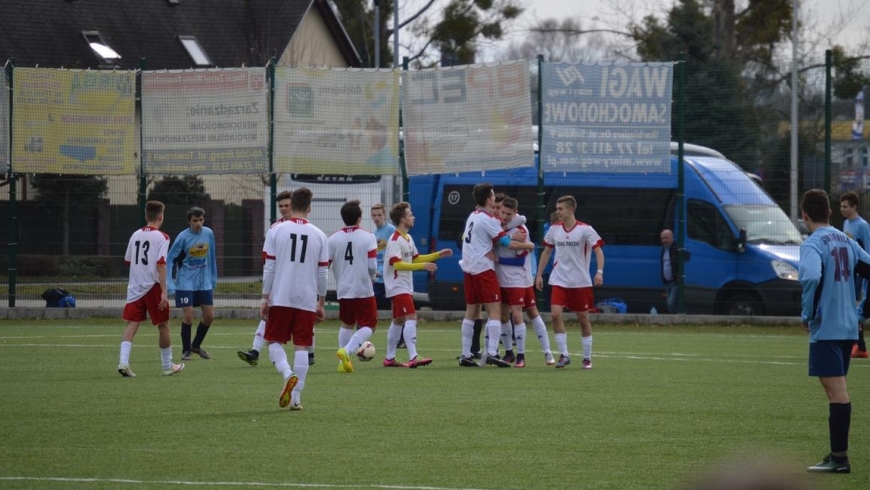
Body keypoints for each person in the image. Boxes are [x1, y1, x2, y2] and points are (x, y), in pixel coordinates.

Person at [799, 188, 870, 473]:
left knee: (836, 392)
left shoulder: (812, 244)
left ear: (805, 216)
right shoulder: (847, 240)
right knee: (836, 390)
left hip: (826, 328)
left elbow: (811, 276)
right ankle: (836, 455)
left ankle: (839, 458)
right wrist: (862, 310)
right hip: (848, 328)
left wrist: (807, 314)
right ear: (829, 212)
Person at [260, 187, 328, 410]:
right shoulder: (319, 235)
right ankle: (296, 399)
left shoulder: (276, 231)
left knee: (272, 342)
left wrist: (264, 298)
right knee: (302, 346)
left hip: (280, 296)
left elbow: (269, 268)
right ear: (309, 207)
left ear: (292, 206)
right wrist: (320, 302)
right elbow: (323, 273)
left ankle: (287, 373)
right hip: (306, 299)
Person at [458, 183, 530, 368]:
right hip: (483, 269)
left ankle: (466, 354)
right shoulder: (488, 220)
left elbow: (506, 224)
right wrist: (528, 246)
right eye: (492, 196)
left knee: (471, 312)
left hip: (468, 269)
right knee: (495, 311)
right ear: (489, 199)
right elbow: (507, 243)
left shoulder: (473, 216)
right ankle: (491, 352)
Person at [535, 195, 604, 369]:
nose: (557, 212)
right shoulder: (554, 230)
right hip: (559, 279)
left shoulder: (585, 230)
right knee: (556, 314)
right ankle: (564, 355)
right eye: (557, 209)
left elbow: (598, 252)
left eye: (560, 209)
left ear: (571, 210)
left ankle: (587, 357)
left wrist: (599, 272)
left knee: (583, 318)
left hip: (580, 281)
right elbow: (546, 252)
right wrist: (539, 274)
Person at [117, 201, 185, 377]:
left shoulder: (135, 235)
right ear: (161, 217)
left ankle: (123, 362)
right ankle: (167, 366)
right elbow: (161, 264)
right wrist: (164, 291)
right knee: (164, 325)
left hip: (135, 286)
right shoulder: (162, 237)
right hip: (152, 286)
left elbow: (130, 260)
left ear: (146, 216)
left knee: (133, 323)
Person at [382, 201, 452, 368]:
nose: (413, 217)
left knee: (398, 320)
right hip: (397, 285)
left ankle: (389, 358)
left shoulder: (408, 237)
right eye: (410, 214)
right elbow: (397, 264)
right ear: (402, 220)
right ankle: (413, 356)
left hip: (404, 285)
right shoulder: (395, 240)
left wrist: (437, 255)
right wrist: (422, 267)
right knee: (411, 317)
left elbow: (415, 258)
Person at [238, 190, 303, 366]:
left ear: (294, 205)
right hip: (280, 280)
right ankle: (255, 350)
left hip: (299, 280)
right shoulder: (275, 228)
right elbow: (269, 259)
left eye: (287, 205)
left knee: (302, 317)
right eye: (280, 206)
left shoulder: (304, 226)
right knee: (268, 314)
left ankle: (308, 353)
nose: (283, 209)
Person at [494, 196, 555, 367]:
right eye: (502, 211)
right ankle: (508, 353)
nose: (504, 215)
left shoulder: (521, 231)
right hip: (501, 280)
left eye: (508, 213)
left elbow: (520, 261)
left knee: (523, 313)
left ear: (515, 213)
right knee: (504, 315)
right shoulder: (497, 225)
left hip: (518, 280)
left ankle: (530, 354)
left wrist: (498, 260)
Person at [331, 200, 379, 374]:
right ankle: (347, 351)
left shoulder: (333, 238)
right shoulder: (368, 237)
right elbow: (372, 266)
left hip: (343, 288)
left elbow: (325, 264)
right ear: (359, 218)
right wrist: (372, 277)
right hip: (362, 288)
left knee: (347, 323)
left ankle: (343, 362)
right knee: (369, 325)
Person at [167, 206, 218, 361]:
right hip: (185, 281)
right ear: (189, 221)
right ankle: (185, 350)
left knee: (209, 317)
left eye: (201, 220)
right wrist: (170, 283)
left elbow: (212, 256)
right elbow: (170, 259)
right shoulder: (183, 237)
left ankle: (195, 345)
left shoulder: (208, 233)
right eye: (195, 220)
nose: (199, 223)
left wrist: (213, 277)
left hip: (203, 282)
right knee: (188, 315)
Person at [839, 191, 870, 358]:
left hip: (862, 272)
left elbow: (867, 250)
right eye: (841, 206)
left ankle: (855, 344)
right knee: (853, 309)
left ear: (854, 207)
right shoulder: (846, 223)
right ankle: (860, 347)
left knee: (857, 310)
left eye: (845, 206)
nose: (841, 209)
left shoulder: (863, 225)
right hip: (851, 271)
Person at [372, 203, 404, 349]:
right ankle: (364, 332)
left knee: (396, 307)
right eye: (374, 215)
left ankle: (400, 339)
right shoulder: (373, 234)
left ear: (384, 215)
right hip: (378, 277)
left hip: (390, 275)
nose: (377, 218)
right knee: (370, 303)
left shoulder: (391, 231)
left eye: (379, 215)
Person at [660, 228, 679, 314]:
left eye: (666, 238)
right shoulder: (664, 250)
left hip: (675, 281)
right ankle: (675, 320)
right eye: (662, 238)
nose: (664, 240)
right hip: (667, 282)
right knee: (668, 304)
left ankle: (679, 318)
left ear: (672, 238)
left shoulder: (676, 249)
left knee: (671, 303)